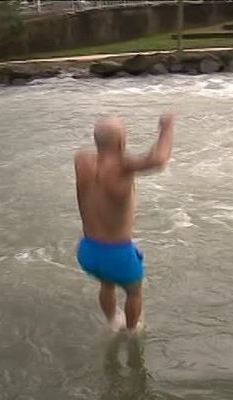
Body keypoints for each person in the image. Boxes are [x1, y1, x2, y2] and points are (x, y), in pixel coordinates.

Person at [74, 114, 175, 333]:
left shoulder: (81, 160)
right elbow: (159, 159)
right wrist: (166, 127)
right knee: (134, 292)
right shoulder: (122, 166)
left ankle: (111, 322)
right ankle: (130, 332)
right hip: (118, 255)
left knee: (106, 284)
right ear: (121, 142)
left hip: (88, 251)